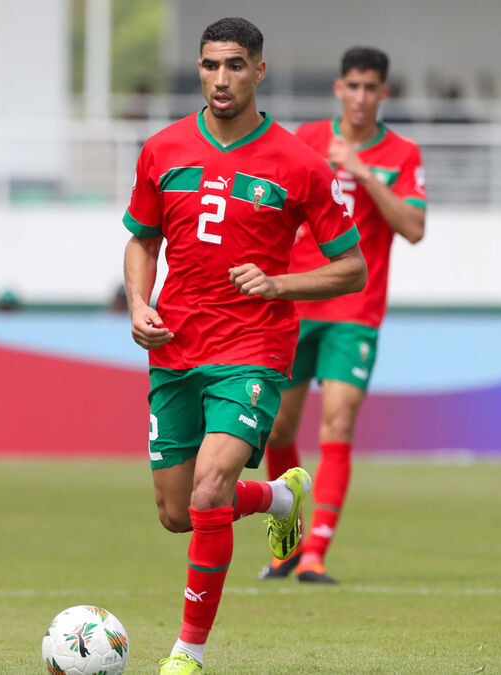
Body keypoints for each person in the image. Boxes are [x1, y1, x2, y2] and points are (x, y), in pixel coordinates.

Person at [122, 18, 367, 675]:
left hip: (254, 346)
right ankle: (279, 497)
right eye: (209, 65)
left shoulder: (298, 163)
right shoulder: (162, 149)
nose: (220, 78)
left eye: (234, 65)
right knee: (178, 512)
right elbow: (142, 240)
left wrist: (281, 281)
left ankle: (188, 652)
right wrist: (139, 302)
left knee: (208, 489)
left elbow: (352, 267)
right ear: (199, 70)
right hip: (175, 346)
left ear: (260, 70)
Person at [258, 46, 427, 585]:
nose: (360, 97)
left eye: (370, 88)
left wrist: (363, 174)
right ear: (338, 88)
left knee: (338, 421)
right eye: (351, 86)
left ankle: (315, 556)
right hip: (296, 299)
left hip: (355, 308)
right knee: (279, 426)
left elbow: (415, 227)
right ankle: (288, 541)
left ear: (384, 93)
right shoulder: (305, 139)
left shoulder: (401, 153)